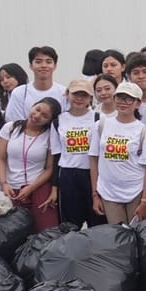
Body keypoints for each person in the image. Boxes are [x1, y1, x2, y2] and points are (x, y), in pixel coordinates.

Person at [90, 82, 146, 225]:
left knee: (136, 236)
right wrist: (95, 194)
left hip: (136, 191)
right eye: (120, 98)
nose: (123, 103)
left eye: (129, 99)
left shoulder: (144, 131)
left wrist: (145, 201)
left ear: (138, 103)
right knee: (118, 238)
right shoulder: (100, 126)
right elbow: (93, 160)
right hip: (108, 192)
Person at [0, 98, 61, 232]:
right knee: (12, 234)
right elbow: (0, 158)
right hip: (11, 187)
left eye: (44, 116)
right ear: (33, 105)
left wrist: (31, 188)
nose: (37, 116)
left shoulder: (50, 135)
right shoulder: (10, 128)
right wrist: (4, 183)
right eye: (37, 109)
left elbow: (49, 168)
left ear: (50, 120)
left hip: (38, 187)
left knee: (47, 231)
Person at [55, 79, 101, 228]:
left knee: (96, 221)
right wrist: (54, 186)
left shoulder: (99, 119)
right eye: (76, 94)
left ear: (90, 98)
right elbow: (55, 155)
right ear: (68, 94)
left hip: (92, 174)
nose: (79, 98)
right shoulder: (58, 121)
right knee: (70, 225)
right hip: (68, 174)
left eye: (84, 95)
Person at [5, 45, 67, 122]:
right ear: (31, 66)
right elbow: (14, 122)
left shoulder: (64, 93)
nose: (44, 65)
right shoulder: (19, 93)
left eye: (48, 62)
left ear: (55, 66)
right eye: (38, 62)